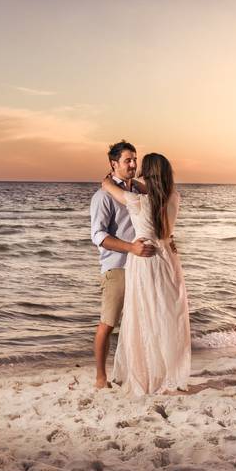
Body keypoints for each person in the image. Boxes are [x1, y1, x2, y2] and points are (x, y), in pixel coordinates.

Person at [101, 152, 190, 395]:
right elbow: (155, 192)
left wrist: (109, 181)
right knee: (166, 313)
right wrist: (140, 184)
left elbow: (109, 187)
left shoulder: (138, 201)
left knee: (143, 313)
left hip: (145, 260)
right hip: (168, 259)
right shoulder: (174, 198)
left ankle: (148, 374)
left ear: (146, 174)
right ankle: (169, 371)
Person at [89, 141, 156, 389]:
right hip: (117, 267)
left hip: (142, 268)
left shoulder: (138, 193)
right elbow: (98, 236)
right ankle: (100, 378)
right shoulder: (103, 196)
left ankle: (134, 373)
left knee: (138, 323)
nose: (132, 164)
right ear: (113, 164)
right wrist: (131, 248)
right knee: (108, 323)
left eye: (134, 159)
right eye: (127, 160)